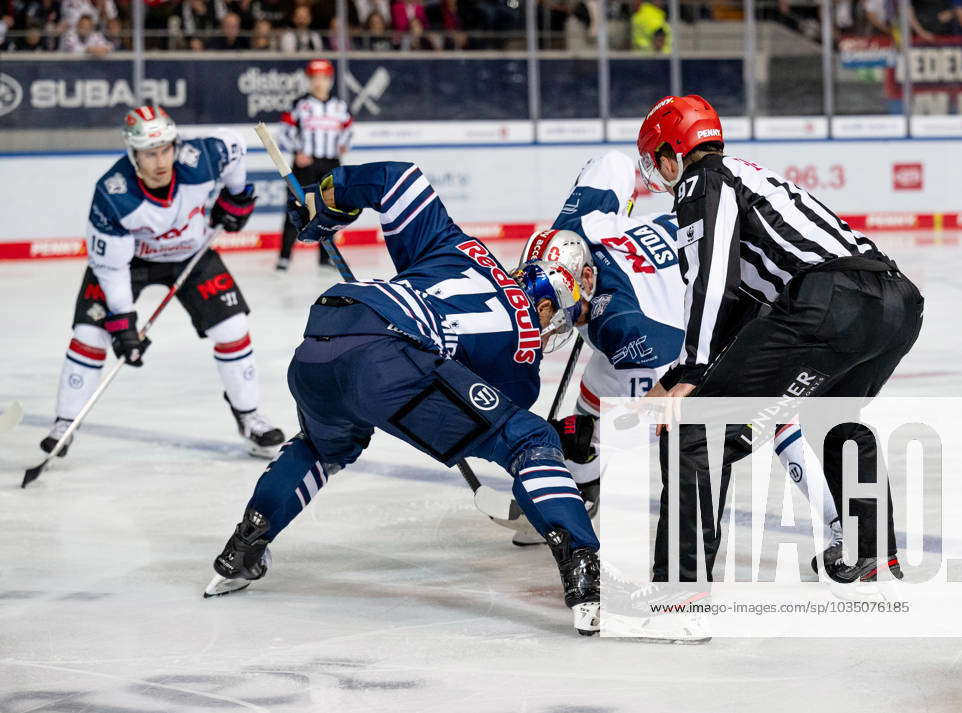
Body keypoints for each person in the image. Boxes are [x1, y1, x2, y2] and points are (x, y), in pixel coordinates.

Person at [203, 161, 601, 635]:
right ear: (547, 301)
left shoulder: (459, 248)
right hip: (387, 358)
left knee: (322, 447)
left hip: (325, 331)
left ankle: (244, 548)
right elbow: (497, 422)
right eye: (564, 312)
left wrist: (328, 201)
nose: (556, 327)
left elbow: (397, 178)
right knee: (530, 438)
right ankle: (581, 564)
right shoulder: (524, 353)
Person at [512, 152, 842, 595]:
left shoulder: (623, 327)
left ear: (584, 280)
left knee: (768, 414)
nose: (548, 319)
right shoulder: (581, 226)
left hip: (743, 301)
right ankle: (581, 487)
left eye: (554, 305)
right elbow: (613, 162)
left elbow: (679, 384)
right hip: (686, 291)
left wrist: (589, 433)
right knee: (594, 391)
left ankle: (844, 528)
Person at [637, 95, 924, 583]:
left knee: (696, 432)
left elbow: (712, 281)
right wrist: (680, 373)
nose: (657, 176)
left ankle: (678, 593)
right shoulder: (750, 177)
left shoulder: (702, 181)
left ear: (673, 153)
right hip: (897, 303)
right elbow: (745, 312)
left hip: (832, 301)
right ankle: (872, 549)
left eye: (656, 162)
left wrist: (690, 373)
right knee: (831, 416)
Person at [41, 106, 285, 460]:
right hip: (131, 263)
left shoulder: (199, 159)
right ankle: (65, 422)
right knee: (90, 334)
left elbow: (234, 145)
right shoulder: (113, 193)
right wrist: (123, 324)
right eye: (149, 153)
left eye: (165, 150)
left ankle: (249, 418)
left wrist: (235, 195)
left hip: (191, 254)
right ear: (133, 153)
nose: (160, 161)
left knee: (233, 327)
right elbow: (111, 269)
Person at [276, 59, 353, 271]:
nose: (320, 83)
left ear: (330, 80)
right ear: (309, 80)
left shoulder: (339, 106)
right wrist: (297, 150)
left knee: (331, 209)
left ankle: (326, 256)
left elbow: (348, 128)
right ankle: (284, 256)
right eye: (315, 78)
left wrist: (343, 145)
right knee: (296, 207)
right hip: (305, 164)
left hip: (330, 163)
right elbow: (283, 132)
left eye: (323, 78)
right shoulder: (301, 104)